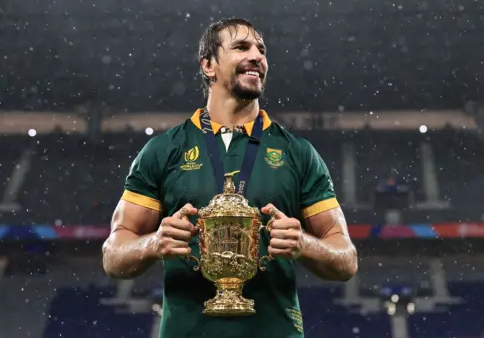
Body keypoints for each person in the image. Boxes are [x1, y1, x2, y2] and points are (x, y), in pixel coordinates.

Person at [102, 18, 358, 338]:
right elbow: (113, 256)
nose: (257, 56)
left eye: (261, 50)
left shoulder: (298, 153)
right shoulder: (163, 151)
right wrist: (153, 243)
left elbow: (346, 259)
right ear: (209, 65)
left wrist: (304, 244)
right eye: (241, 47)